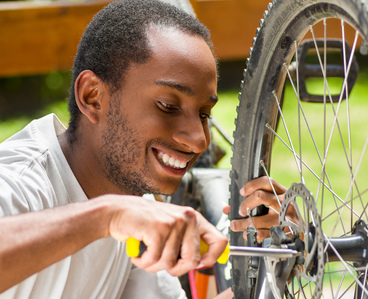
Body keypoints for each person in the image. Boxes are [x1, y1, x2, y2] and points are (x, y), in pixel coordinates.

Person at [0, 0, 231, 297]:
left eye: (204, 115)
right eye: (168, 106)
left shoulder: (131, 200)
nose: (198, 139)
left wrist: (267, 261)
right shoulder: (19, 184)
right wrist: (109, 216)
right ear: (93, 97)